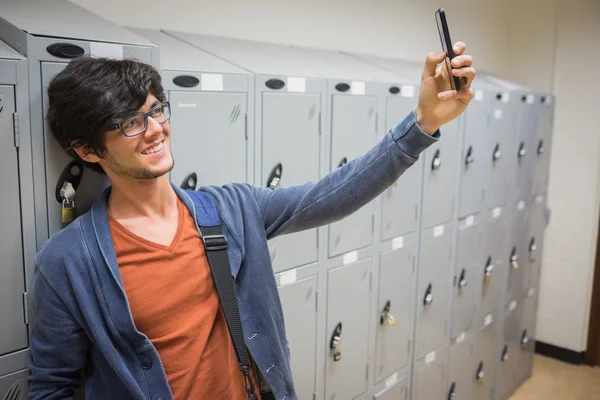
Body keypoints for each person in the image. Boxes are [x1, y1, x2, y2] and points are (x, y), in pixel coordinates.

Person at [27, 41, 476, 400]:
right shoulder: (67, 262)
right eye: (129, 123)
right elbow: (52, 386)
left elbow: (332, 196)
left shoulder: (231, 211)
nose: (155, 129)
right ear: (87, 151)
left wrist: (423, 122)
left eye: (155, 110)